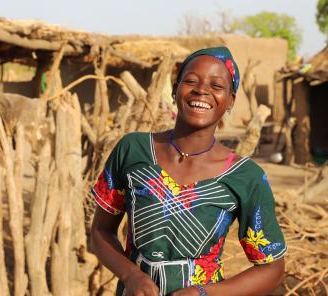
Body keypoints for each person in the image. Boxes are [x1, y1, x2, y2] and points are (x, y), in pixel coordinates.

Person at [90, 47, 287, 296]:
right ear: (175, 90)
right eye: (191, 81)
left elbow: (273, 269)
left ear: (231, 100)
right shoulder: (133, 149)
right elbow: (100, 230)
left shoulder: (245, 177)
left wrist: (202, 293)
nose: (201, 90)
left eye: (217, 86)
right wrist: (131, 275)